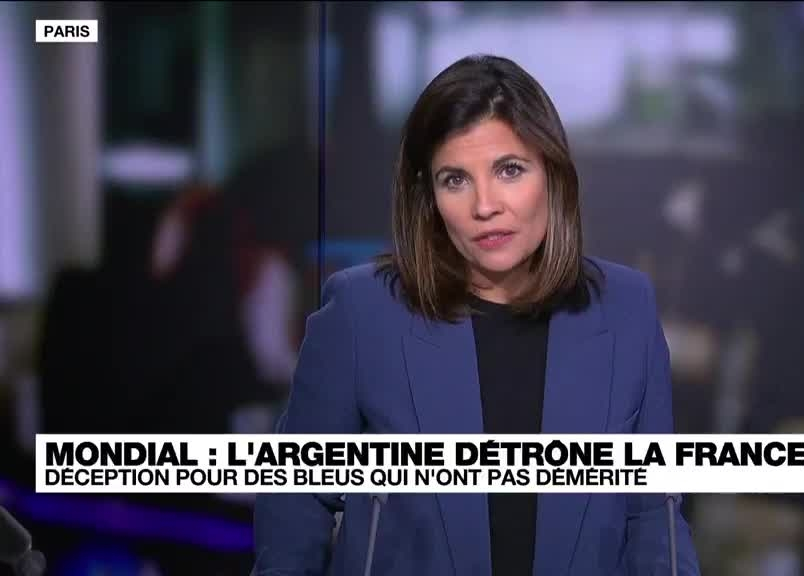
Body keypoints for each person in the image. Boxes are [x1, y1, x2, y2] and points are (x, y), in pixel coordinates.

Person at [253, 54, 701, 576]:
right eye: (455, 179)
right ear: (429, 196)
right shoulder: (362, 313)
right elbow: (295, 504)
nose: (485, 205)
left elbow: (654, 515)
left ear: (552, 175)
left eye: (509, 170)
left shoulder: (626, 307)